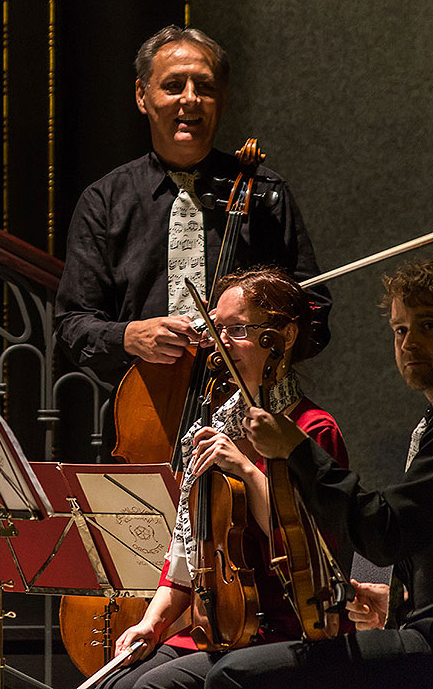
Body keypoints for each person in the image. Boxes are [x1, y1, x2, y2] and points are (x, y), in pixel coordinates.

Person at [54, 25, 331, 458]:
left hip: (249, 423)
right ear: (143, 96)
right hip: (147, 417)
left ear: (221, 98)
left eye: (204, 86)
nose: (189, 99)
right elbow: (73, 325)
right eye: (172, 86)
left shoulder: (264, 194)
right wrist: (131, 336)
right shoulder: (105, 200)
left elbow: (315, 309)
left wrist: (258, 341)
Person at [97, 266, 348, 689]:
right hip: (211, 626)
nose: (220, 343)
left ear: (283, 337)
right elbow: (186, 550)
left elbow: (313, 553)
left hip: (284, 628)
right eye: (218, 328)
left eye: (237, 329)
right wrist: (151, 624)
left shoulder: (313, 429)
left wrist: (248, 472)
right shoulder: (215, 423)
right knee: (112, 684)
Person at [206, 258, 433, 688]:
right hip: (415, 628)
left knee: (234, 677)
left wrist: (295, 448)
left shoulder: (316, 428)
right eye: (401, 330)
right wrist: (397, 599)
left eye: (427, 326)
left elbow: (382, 531)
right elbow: (412, 534)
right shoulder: (428, 424)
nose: (409, 343)